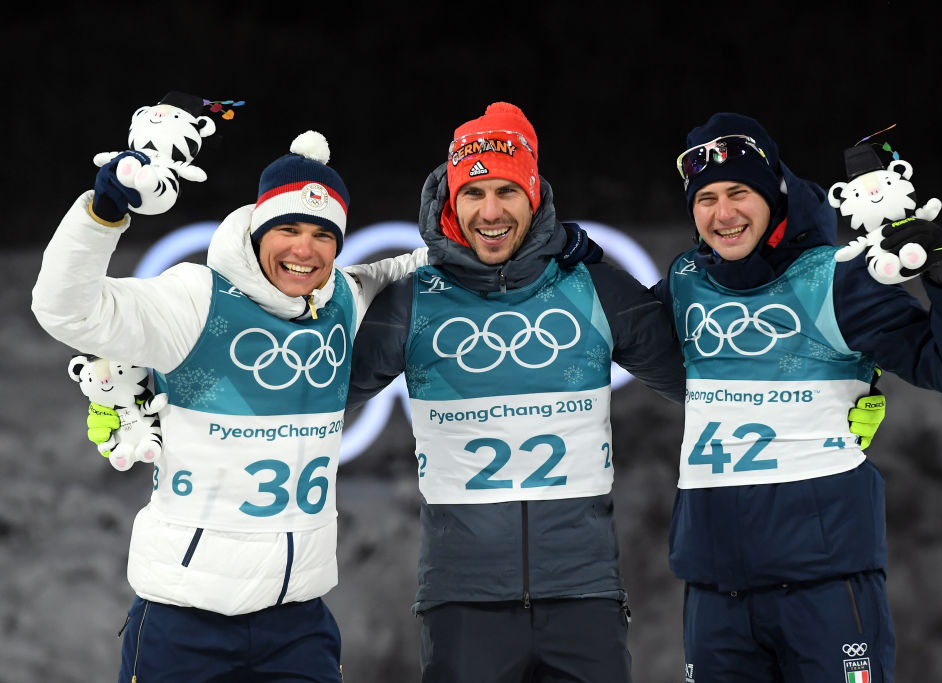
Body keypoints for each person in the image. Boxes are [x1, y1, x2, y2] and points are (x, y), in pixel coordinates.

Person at [31, 130, 427, 682]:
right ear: (258, 229)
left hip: (298, 624)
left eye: (322, 234)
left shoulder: (343, 297)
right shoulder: (196, 299)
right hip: (184, 621)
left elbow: (414, 268)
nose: (303, 249)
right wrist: (104, 211)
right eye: (287, 229)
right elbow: (65, 310)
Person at [347, 102, 688, 682]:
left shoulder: (594, 288)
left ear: (534, 196)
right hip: (463, 601)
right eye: (474, 193)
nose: (490, 210)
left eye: (507, 191)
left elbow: (711, 379)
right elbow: (307, 396)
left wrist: (844, 375)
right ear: (450, 201)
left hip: (584, 595)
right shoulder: (412, 302)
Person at [654, 112, 942, 682]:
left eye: (739, 192)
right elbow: (612, 336)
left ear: (774, 194)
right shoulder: (685, 283)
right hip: (715, 594)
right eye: (706, 198)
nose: (724, 213)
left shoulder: (836, 279)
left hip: (825, 587)